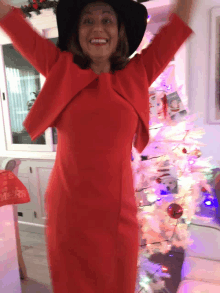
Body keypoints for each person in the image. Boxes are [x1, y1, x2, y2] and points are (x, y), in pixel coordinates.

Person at [0, 0, 196, 292]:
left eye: (107, 20)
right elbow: (13, 22)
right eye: (87, 21)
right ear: (77, 32)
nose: (98, 28)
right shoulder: (59, 69)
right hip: (69, 214)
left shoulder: (137, 74)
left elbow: (176, 29)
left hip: (118, 217)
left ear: (119, 31)